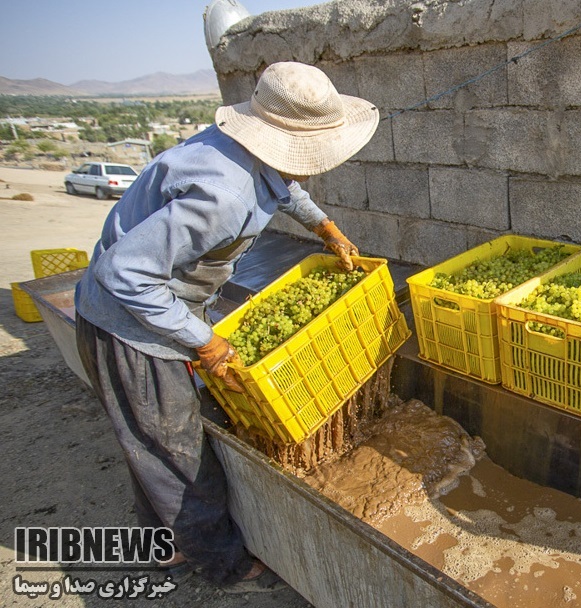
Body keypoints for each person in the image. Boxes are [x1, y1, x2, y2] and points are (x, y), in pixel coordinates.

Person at [74, 62, 378, 592]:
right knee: (177, 451)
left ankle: (164, 543)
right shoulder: (223, 197)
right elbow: (123, 274)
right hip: (131, 325)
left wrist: (324, 226)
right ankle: (222, 564)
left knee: (149, 437)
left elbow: (280, 187)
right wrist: (206, 341)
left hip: (156, 306)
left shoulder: (239, 149)